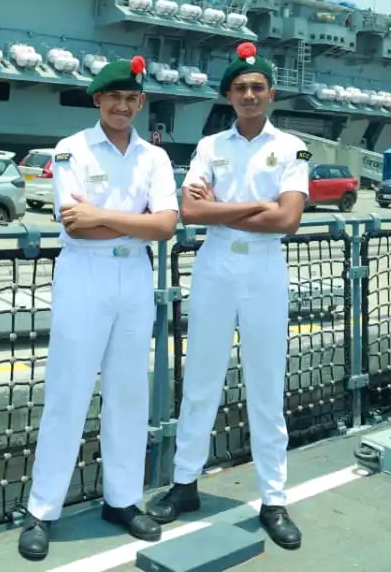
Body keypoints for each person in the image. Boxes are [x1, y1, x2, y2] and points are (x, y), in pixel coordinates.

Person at [145, 41, 309, 551]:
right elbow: (189, 212)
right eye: (240, 88)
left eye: (258, 87)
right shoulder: (210, 146)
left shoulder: (293, 147)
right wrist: (258, 204)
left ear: (271, 93)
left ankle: (274, 498)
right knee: (200, 379)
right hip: (215, 266)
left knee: (266, 384)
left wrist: (227, 206)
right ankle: (185, 484)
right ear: (229, 95)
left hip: (263, 268)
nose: (250, 94)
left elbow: (288, 219)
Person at [17, 55, 181, 562]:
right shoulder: (71, 150)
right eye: (114, 98)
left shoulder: (154, 157)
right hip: (85, 273)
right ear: (97, 100)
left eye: (132, 98)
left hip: (134, 275)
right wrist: (137, 220)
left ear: (140, 102)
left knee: (129, 392)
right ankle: (42, 510)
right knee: (67, 390)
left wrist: (107, 216)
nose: (123, 106)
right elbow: (74, 226)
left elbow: (167, 226)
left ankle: (123, 499)